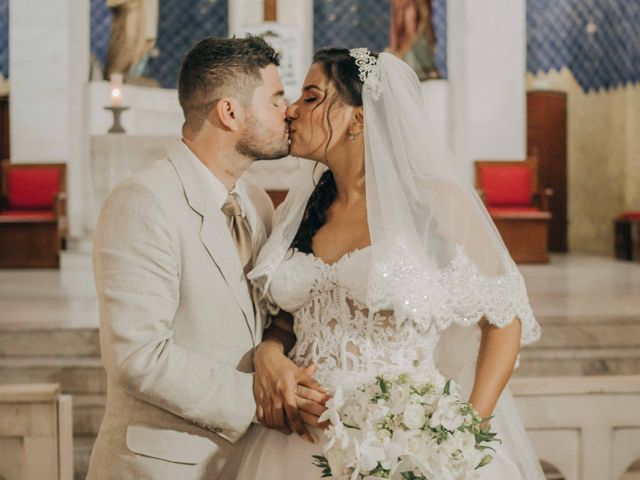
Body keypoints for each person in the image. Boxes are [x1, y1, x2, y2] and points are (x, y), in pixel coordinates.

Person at [237, 48, 546, 479]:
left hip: (404, 439)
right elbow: (290, 319)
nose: (290, 111)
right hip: (299, 442)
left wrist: (465, 434)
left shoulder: (434, 202)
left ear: (359, 119)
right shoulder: (304, 207)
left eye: (310, 98)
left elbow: (504, 317)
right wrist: (269, 353)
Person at [86, 35, 298, 479]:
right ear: (230, 112)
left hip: (247, 461)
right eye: (276, 99)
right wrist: (259, 400)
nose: (290, 111)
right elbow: (139, 356)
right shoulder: (143, 201)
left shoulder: (257, 201)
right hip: (163, 465)